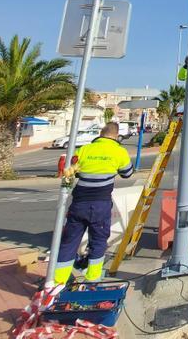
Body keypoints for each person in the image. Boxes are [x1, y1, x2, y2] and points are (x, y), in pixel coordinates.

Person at [54, 122, 133, 285]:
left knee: (69, 241)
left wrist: (66, 190)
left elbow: (70, 173)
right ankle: (92, 280)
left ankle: (58, 282)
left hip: (78, 202)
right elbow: (127, 173)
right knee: (98, 241)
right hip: (100, 204)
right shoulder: (119, 151)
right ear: (116, 136)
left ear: (101, 134)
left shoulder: (84, 150)